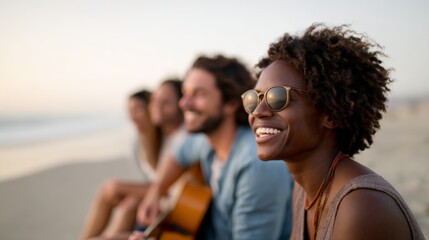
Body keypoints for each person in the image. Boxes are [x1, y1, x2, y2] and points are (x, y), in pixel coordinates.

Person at [241, 24, 425, 239]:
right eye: (254, 99)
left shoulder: (361, 205)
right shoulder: (304, 190)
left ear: (330, 114)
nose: (258, 111)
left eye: (277, 98)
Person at [133, 55, 294, 240]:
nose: (184, 103)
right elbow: (179, 153)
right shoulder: (207, 142)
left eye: (199, 94)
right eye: (185, 93)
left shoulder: (256, 166)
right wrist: (156, 191)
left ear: (230, 104)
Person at [80, 79, 187, 240]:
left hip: (173, 203)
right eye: (155, 100)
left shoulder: (184, 138)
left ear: (181, 105)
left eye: (165, 102)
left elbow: (174, 187)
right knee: (127, 205)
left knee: (113, 188)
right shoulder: (162, 137)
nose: (156, 106)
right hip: (163, 200)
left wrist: (155, 191)